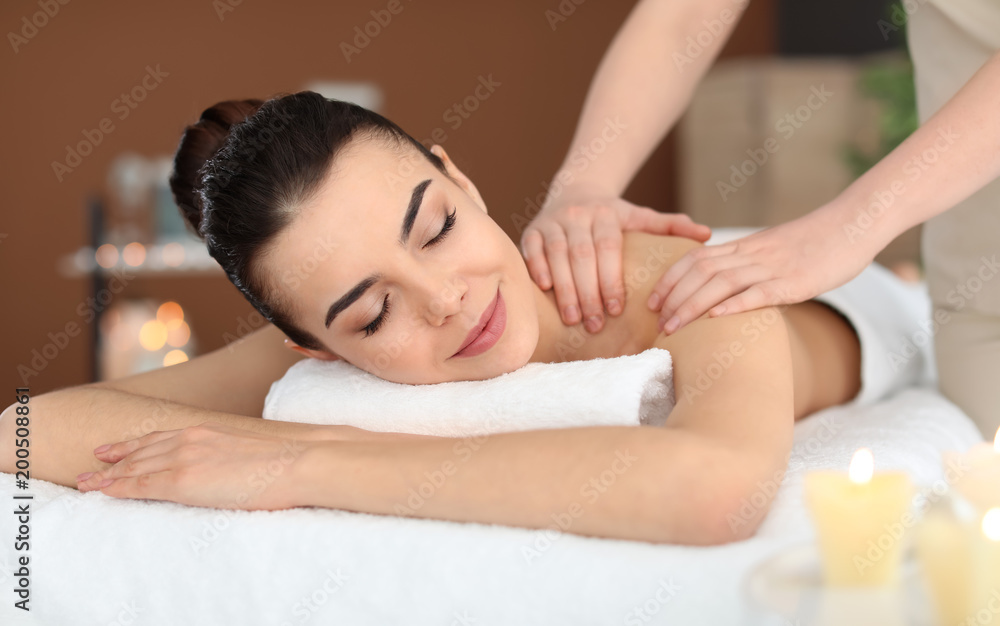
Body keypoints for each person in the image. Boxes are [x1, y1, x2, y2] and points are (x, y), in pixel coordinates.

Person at [0, 92, 926, 545]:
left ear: (463, 180)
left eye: (437, 226)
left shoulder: (676, 287)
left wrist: (301, 461)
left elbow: (720, 488)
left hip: (868, 293)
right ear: (310, 348)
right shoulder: (324, 352)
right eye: (370, 315)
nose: (446, 299)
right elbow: (26, 430)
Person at [521, 0, 1000, 437]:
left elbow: (718, 485)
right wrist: (586, 184)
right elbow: (680, 18)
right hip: (976, 279)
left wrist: (851, 225)